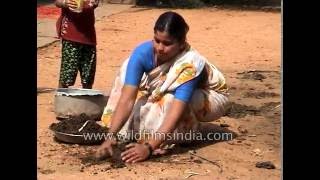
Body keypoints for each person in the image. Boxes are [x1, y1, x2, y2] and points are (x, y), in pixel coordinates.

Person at [95, 11, 229, 163]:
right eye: (157, 40)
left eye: (167, 43)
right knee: (127, 71)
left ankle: (183, 133)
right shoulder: (142, 53)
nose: (160, 48)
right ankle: (142, 132)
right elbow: (126, 99)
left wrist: (149, 147)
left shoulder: (189, 64)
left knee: (167, 100)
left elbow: (176, 108)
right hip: (166, 90)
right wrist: (110, 135)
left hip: (209, 97)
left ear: (181, 45)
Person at [55, 0, 99, 89]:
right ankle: (61, 99)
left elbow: (94, 4)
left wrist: (95, 3)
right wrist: (65, 3)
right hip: (71, 35)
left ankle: (86, 100)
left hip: (88, 37)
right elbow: (57, 2)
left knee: (88, 75)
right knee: (67, 74)